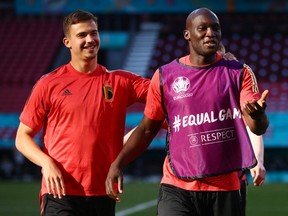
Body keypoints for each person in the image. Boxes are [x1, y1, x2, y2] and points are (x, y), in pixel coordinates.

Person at [106, 7, 269, 216]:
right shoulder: (166, 76)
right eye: (203, 28)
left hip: (225, 186)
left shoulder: (239, 73)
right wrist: (117, 163)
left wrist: (258, 117)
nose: (210, 33)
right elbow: (146, 129)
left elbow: (255, 127)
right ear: (187, 34)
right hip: (177, 185)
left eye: (215, 28)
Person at [15, 10, 150, 216]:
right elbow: (22, 137)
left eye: (93, 33)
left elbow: (165, 92)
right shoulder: (48, 84)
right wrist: (46, 163)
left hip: (103, 190)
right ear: (67, 42)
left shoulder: (121, 82)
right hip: (60, 192)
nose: (90, 40)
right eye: (82, 35)